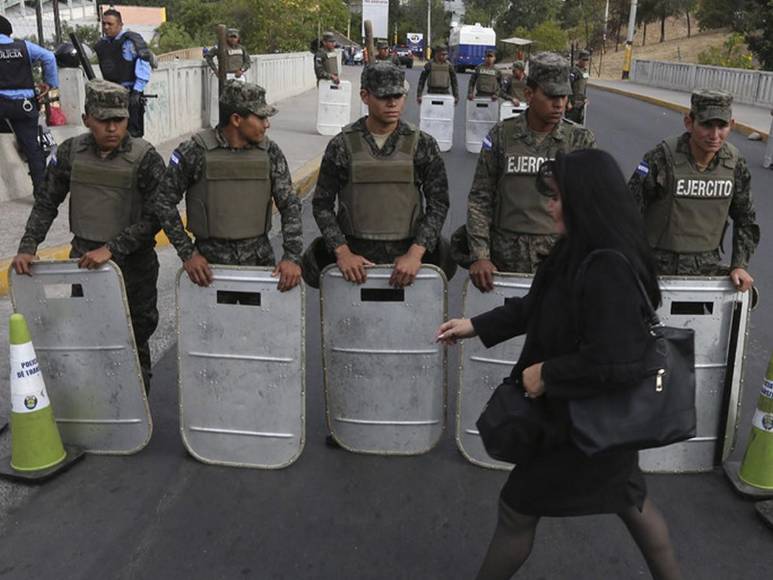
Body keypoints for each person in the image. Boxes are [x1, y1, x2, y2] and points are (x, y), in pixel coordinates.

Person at [437, 149, 683, 580]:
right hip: (593, 424)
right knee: (633, 504)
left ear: (584, 200)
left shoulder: (607, 267)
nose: (548, 206)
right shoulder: (576, 250)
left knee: (516, 510)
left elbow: (619, 359)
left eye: (556, 197)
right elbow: (536, 306)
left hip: (580, 426)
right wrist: (474, 325)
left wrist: (548, 374)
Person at [11, 80, 165, 391]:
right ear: (86, 119)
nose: (112, 128)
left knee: (134, 339)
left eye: (119, 120)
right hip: (84, 265)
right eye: (103, 120)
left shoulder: (145, 157)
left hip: (134, 268)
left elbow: (157, 216)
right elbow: (47, 201)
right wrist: (28, 245)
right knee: (89, 335)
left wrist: (112, 248)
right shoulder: (71, 152)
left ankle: (137, 408)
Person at [302, 62, 454, 289]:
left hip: (407, 265)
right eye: (384, 96)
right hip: (354, 265)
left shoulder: (422, 144)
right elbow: (322, 204)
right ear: (365, 96)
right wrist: (343, 253)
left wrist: (415, 254)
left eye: (398, 96)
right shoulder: (342, 145)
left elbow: (439, 203)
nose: (392, 103)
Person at [454, 52, 596, 291]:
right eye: (551, 96)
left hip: (558, 262)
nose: (559, 104)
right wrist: (480, 255)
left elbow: (591, 206)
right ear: (529, 94)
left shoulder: (580, 140)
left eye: (563, 96)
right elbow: (480, 197)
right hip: (504, 261)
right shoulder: (501, 135)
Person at [149, 80, 302, 296]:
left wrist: (292, 257)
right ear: (236, 119)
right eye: (260, 117)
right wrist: (188, 253)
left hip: (258, 264)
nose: (266, 124)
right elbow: (164, 201)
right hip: (208, 270)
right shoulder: (194, 151)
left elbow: (289, 204)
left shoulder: (270, 152)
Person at [628, 89, 759, 292]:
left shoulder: (734, 164)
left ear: (732, 125)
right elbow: (628, 211)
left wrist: (739, 265)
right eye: (706, 125)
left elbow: (746, 219)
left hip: (705, 276)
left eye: (722, 126)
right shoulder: (660, 158)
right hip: (656, 272)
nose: (714, 135)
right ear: (689, 122)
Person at [0, 15, 59, 198]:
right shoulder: (24, 47)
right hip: (24, 105)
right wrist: (50, 83)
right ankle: (41, 193)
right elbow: (49, 57)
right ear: (9, 32)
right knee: (33, 148)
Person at [94, 8, 153, 138]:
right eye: (104, 24)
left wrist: (136, 92)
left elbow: (143, 65)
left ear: (120, 25)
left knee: (132, 135)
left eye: (110, 24)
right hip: (110, 95)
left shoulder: (130, 41)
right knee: (113, 134)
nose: (106, 27)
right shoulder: (101, 45)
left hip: (130, 94)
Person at [565, 49, 590, 124]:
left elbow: (584, 87)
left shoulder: (585, 71)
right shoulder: (574, 71)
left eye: (587, 60)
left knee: (580, 125)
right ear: (579, 59)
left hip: (581, 104)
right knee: (571, 124)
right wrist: (568, 102)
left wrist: (585, 98)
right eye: (584, 59)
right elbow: (568, 86)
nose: (585, 62)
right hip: (573, 103)